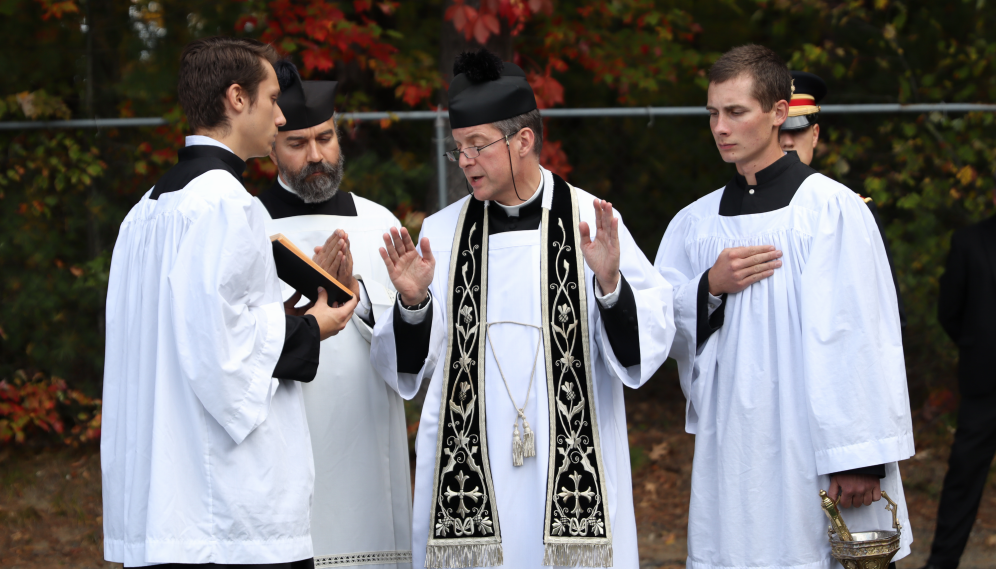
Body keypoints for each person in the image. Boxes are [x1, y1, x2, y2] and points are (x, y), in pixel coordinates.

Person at [369, 49, 675, 569]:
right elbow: (406, 368)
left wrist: (608, 283)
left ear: (524, 140)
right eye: (458, 148)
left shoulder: (590, 221)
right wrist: (414, 302)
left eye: (477, 146)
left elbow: (646, 347)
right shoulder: (441, 234)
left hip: (570, 474)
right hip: (471, 477)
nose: (464, 160)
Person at [654, 45, 914, 569]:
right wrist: (709, 286)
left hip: (811, 441)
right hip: (732, 437)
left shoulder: (829, 209)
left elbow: (858, 333)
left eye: (736, 112)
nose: (721, 127)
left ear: (778, 113)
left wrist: (862, 459)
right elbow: (661, 325)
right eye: (712, 113)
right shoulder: (696, 223)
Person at [101, 37, 357, 568]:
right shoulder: (225, 204)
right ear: (236, 99)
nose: (281, 114)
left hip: (164, 492)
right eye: (271, 98)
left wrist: (291, 311)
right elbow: (224, 350)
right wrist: (313, 324)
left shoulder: (145, 210)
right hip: (224, 505)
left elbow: (190, 329)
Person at [255, 60, 413, 569]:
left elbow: (410, 345)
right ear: (273, 146)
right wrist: (307, 296)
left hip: (365, 431)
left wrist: (359, 295)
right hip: (284, 434)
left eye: (325, 138)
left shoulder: (377, 223)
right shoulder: (248, 223)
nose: (316, 156)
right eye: (298, 144)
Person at [779, 70, 906, 327]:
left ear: (815, 134)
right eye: (779, 130)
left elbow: (885, 312)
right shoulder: (736, 209)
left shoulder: (853, 209)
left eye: (799, 130)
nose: (789, 141)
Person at [921, 193, 996, 569]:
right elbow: (950, 311)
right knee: (963, 478)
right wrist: (977, 346)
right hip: (984, 385)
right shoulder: (968, 241)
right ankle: (941, 562)